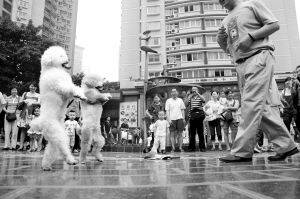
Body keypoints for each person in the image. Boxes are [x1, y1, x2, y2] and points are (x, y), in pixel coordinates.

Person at [217, 0, 298, 162]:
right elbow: (229, 46)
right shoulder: (225, 21)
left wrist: (252, 36)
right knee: (263, 107)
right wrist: (222, 42)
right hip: (240, 64)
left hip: (258, 55)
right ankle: (286, 145)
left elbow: (274, 24)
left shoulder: (251, 4)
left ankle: (242, 151)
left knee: (250, 103)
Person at [18, 83, 40, 151]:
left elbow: (39, 103)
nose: (33, 87)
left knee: (32, 130)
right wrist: (24, 101)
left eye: (34, 86)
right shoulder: (25, 94)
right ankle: (21, 145)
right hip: (25, 113)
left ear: (36, 88)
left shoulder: (38, 95)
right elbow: (20, 101)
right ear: (29, 86)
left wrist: (32, 103)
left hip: (33, 114)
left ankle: (32, 146)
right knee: (23, 130)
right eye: (31, 86)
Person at [187, 87, 206, 152]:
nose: (194, 91)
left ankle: (202, 147)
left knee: (200, 132)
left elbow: (204, 100)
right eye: (193, 90)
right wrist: (189, 96)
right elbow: (186, 104)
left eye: (195, 90)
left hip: (199, 116)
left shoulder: (200, 96)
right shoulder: (190, 97)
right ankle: (192, 148)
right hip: (192, 116)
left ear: (197, 91)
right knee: (192, 133)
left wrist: (198, 94)